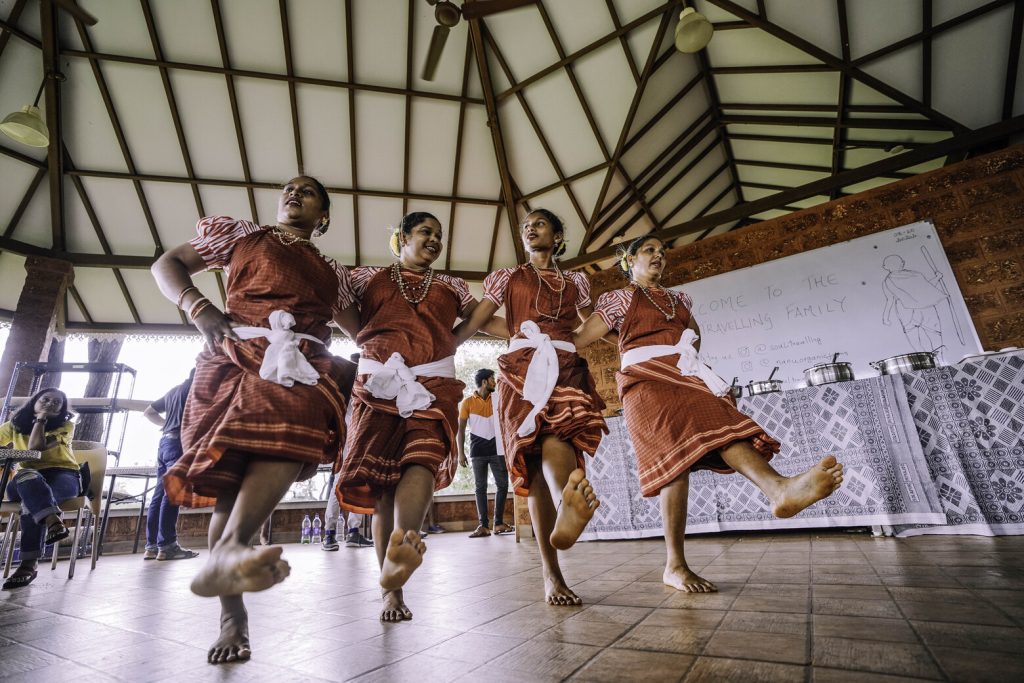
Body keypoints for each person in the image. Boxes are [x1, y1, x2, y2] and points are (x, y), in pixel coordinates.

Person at [150, 175, 359, 664]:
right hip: (232, 357)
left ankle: (231, 554)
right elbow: (169, 264)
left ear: (323, 215)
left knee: (291, 433)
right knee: (230, 485)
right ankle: (233, 616)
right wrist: (200, 309)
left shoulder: (336, 273)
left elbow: (369, 329)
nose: (294, 194)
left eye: (308, 192)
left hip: (300, 365)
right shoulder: (242, 236)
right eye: (289, 189)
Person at [573, 235, 845, 593]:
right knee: (675, 464)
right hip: (644, 382)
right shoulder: (619, 299)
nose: (659, 256)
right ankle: (675, 565)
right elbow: (581, 338)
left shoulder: (679, 300)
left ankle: (779, 490)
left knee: (724, 425)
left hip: (684, 377)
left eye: (662, 251)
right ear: (629, 260)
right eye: (649, 250)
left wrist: (679, 357)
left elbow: (693, 338)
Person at [334, 211, 497, 622]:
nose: (435, 240)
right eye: (426, 232)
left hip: (433, 384)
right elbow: (340, 308)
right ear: (402, 236)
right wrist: (371, 343)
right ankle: (392, 588)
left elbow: (480, 319)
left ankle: (406, 541)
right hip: (378, 384)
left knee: (422, 458)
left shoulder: (453, 286)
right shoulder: (365, 277)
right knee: (383, 488)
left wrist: (453, 341)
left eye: (439, 235)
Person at [458, 209, 606, 606]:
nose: (530, 228)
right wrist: (446, 345)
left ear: (558, 236)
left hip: (563, 364)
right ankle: (551, 572)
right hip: (521, 368)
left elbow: (592, 325)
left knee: (561, 431)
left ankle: (567, 506)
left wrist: (626, 337)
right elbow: (480, 321)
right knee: (535, 455)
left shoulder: (576, 281)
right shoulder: (507, 277)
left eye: (540, 223)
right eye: (527, 225)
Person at [0, 388, 79, 590]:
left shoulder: (65, 426)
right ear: (34, 400)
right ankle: (53, 520)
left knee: (32, 501)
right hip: (26, 478)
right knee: (29, 478)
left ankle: (28, 564)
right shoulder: (14, 426)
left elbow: (36, 447)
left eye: (56, 403)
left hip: (63, 475)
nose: (50, 403)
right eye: (45, 399)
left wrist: (41, 419)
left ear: (61, 410)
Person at [141, 370, 200, 561]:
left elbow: (148, 412)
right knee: (171, 493)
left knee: (159, 495)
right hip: (179, 444)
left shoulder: (174, 390)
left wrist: (167, 424)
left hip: (164, 443)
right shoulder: (196, 388)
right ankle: (167, 546)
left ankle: (151, 546)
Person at [322, 353, 372, 551]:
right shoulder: (360, 385)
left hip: (351, 440)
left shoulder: (344, 385)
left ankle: (336, 534)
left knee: (343, 485)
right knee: (345, 484)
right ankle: (340, 533)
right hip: (352, 440)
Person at [457, 368, 513, 537]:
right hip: (477, 452)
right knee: (480, 488)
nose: (494, 382)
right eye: (492, 379)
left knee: (502, 485)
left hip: (498, 450)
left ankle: (498, 524)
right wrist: (460, 453)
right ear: (484, 382)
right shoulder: (467, 402)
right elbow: (460, 429)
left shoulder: (497, 400)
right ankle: (483, 526)